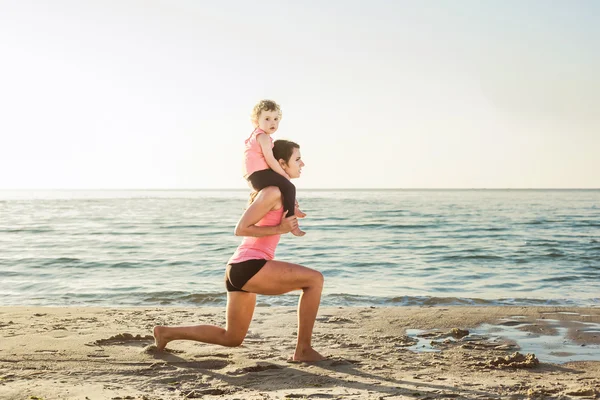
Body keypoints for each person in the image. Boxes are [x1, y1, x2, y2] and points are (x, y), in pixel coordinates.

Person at [153, 139, 326, 362]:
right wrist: (280, 227)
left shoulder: (278, 191)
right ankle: (303, 350)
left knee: (232, 338)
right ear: (281, 163)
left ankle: (166, 332)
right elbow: (241, 228)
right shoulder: (272, 191)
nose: (303, 164)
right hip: (248, 266)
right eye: (298, 159)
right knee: (314, 280)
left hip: (239, 268)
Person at [243, 99, 306, 236]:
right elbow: (270, 160)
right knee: (289, 186)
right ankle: (292, 221)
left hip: (255, 175)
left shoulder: (259, 136)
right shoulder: (263, 137)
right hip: (259, 174)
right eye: (267, 119)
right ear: (256, 121)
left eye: (276, 119)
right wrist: (284, 174)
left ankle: (293, 207)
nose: (273, 123)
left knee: (285, 187)